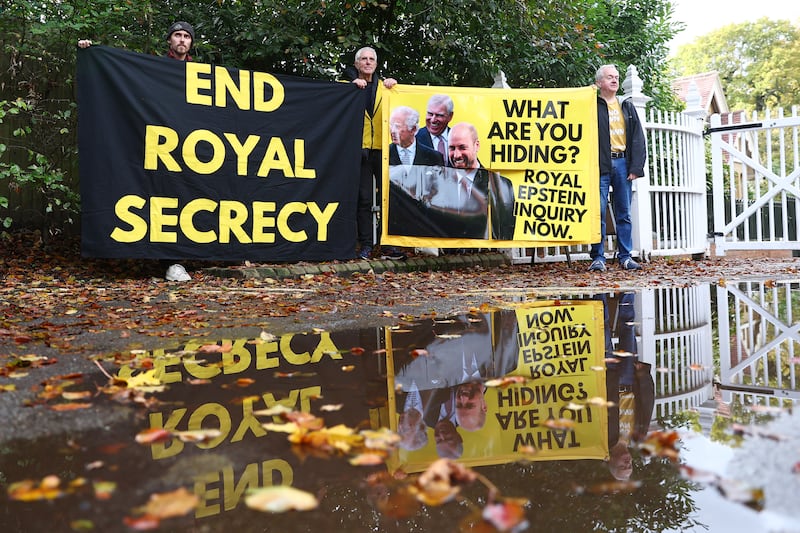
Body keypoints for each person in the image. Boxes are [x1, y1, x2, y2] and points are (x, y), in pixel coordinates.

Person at [78, 21, 197, 281]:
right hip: (161, 143)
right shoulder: (152, 68)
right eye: (177, 35)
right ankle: (172, 262)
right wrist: (91, 51)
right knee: (164, 197)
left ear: (191, 43)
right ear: (169, 40)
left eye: (186, 36)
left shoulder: (201, 74)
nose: (181, 40)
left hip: (192, 147)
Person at [347, 46, 404, 260]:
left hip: (384, 151)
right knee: (363, 199)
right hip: (360, 151)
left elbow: (402, 108)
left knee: (388, 198)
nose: (368, 62)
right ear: (357, 64)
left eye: (372, 59)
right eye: (364, 59)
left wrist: (394, 87)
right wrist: (351, 89)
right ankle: (366, 245)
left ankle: (388, 244)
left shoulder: (386, 88)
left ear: (376, 64)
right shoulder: (349, 88)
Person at [589, 64, 647, 273]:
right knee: (598, 213)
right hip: (599, 165)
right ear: (599, 83)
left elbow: (638, 138)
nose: (614, 80)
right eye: (609, 77)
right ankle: (598, 257)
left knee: (624, 213)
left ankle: (626, 257)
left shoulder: (627, 106)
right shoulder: (591, 106)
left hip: (623, 163)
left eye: (616, 77)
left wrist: (635, 167)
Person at [602, 292, 655, 480]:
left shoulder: (603, 439)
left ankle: (598, 293)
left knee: (602, 333)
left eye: (623, 466)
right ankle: (627, 294)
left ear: (612, 463)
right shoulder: (637, 437)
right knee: (628, 330)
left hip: (607, 381)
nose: (628, 463)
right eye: (629, 466)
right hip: (629, 381)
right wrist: (643, 375)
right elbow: (648, 403)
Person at [416, 94, 454, 165]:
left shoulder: (458, 138)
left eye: (439, 115)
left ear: (450, 116)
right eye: (430, 114)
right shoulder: (414, 139)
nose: (433, 120)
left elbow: (475, 169)